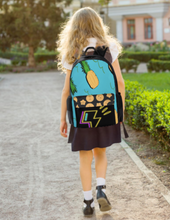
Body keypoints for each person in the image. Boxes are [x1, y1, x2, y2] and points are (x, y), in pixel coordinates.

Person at [57, 7, 125, 217]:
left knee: (85, 157)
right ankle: (101, 188)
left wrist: (63, 119)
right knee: (101, 152)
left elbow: (67, 90)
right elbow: (120, 84)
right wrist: (118, 112)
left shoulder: (73, 49)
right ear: (98, 23)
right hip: (105, 109)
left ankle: (88, 202)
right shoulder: (109, 46)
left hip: (81, 113)